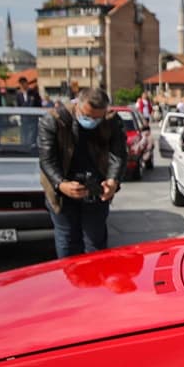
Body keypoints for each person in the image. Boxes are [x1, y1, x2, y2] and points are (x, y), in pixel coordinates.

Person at [38, 87, 127, 258]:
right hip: (62, 192)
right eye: (87, 116)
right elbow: (47, 160)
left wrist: (113, 181)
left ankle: (94, 283)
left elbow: (119, 155)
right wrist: (61, 184)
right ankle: (68, 281)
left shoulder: (111, 121)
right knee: (68, 241)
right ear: (77, 105)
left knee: (95, 244)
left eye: (97, 118)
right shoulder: (54, 120)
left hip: (96, 190)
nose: (91, 121)